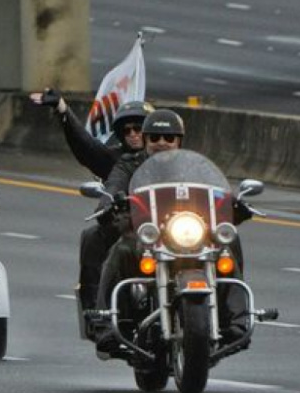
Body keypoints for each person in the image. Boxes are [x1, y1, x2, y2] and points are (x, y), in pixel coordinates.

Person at [93, 109, 252, 352]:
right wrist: (109, 202)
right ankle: (106, 323)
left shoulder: (196, 166)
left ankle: (237, 320)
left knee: (227, 243)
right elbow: (114, 186)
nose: (162, 143)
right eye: (155, 138)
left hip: (190, 233)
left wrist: (235, 205)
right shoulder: (129, 164)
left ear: (179, 141)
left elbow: (218, 195)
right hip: (148, 236)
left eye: (169, 138)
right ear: (146, 140)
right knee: (121, 249)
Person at [32, 89, 156, 322]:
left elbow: (205, 186)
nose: (133, 135)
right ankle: (97, 311)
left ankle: (233, 314)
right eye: (127, 130)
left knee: (224, 241)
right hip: (134, 227)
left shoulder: (179, 161)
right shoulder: (121, 162)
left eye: (139, 129)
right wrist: (63, 111)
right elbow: (88, 149)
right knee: (93, 237)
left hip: (175, 227)